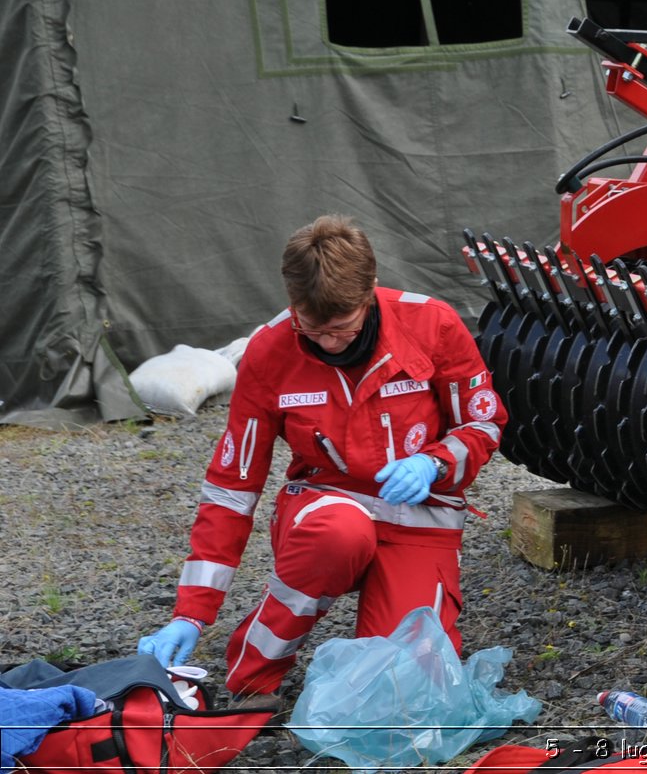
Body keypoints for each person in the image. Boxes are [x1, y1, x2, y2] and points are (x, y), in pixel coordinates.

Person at [137, 215, 507, 697]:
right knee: (337, 532)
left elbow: (482, 422)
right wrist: (191, 611)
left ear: (370, 291)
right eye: (312, 329)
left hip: (420, 513)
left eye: (343, 329)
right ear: (293, 303)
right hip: (327, 507)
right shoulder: (270, 351)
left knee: (404, 689)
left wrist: (434, 462)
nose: (330, 343)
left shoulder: (432, 323)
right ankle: (251, 675)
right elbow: (232, 487)